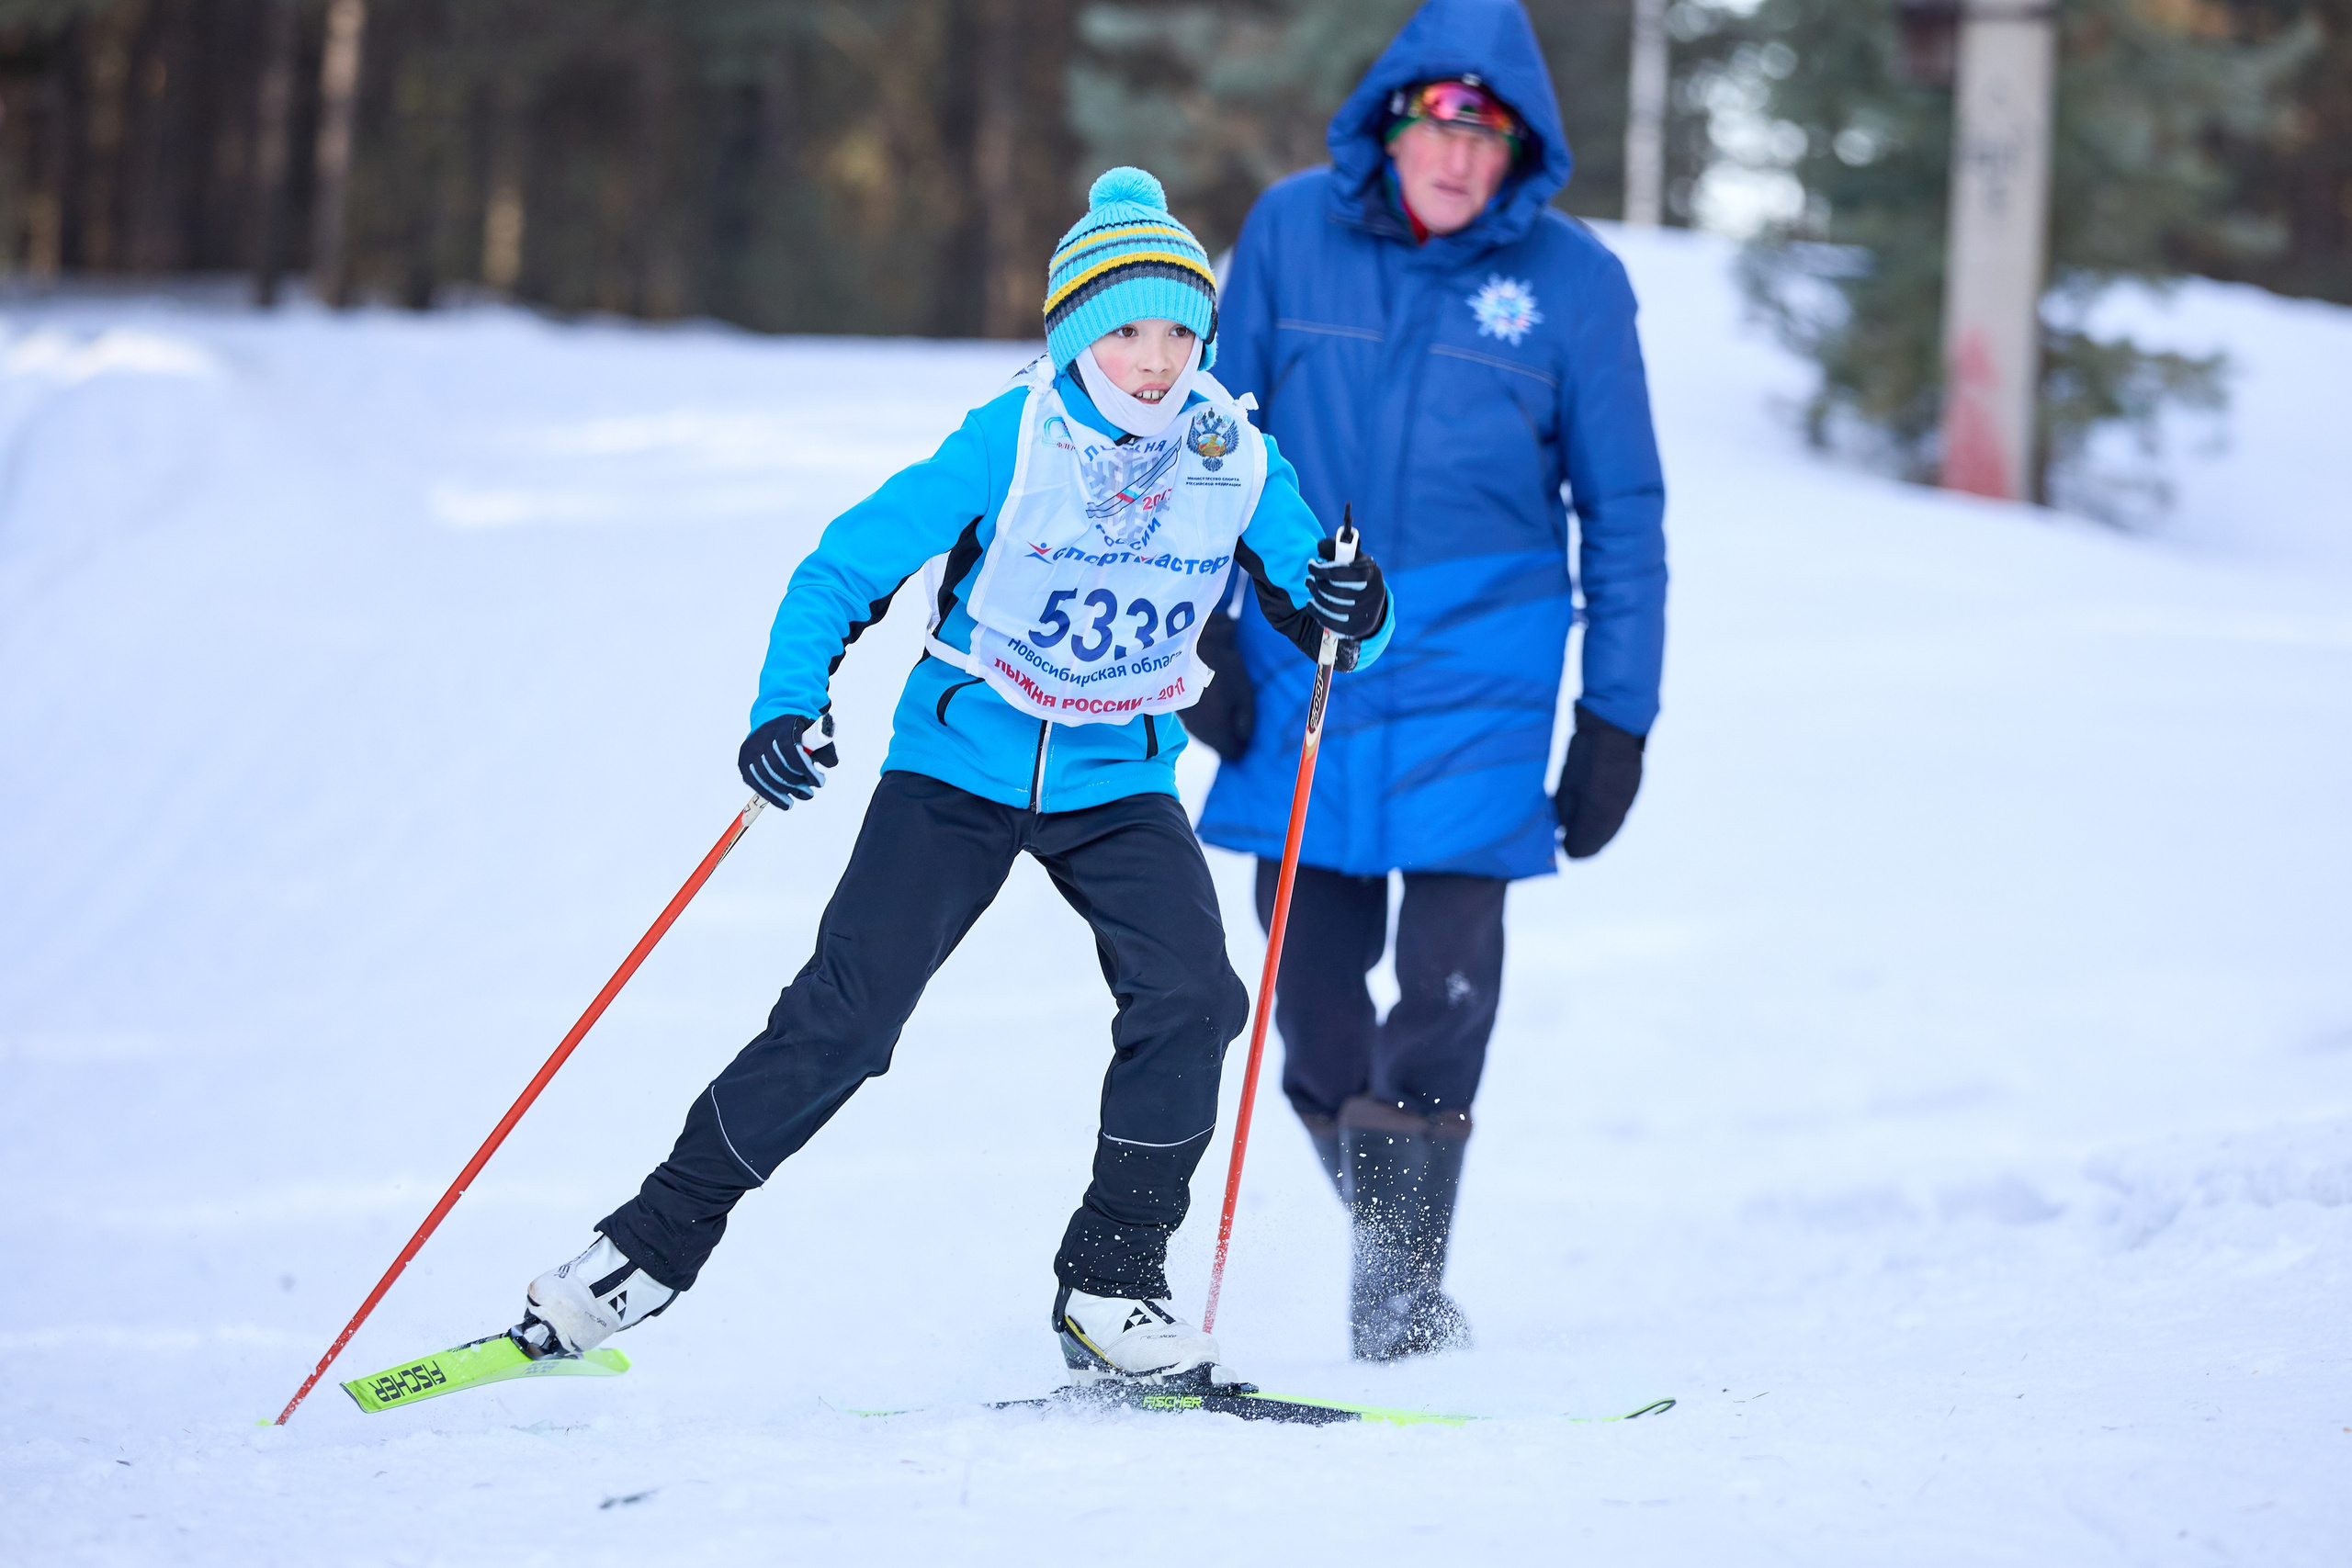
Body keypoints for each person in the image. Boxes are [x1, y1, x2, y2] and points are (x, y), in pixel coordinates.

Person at [509, 168, 1395, 1387]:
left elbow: (1333, 611)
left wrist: (1359, 600)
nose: (1156, 358)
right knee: (847, 1020)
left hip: (1116, 773)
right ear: (1080, 333)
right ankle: (643, 1252)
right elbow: (839, 570)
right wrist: (786, 706)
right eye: (1128, 330)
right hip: (959, 766)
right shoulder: (1010, 439)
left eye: (1180, 331)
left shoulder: (1230, 454)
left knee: (1195, 997)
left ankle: (1114, 1283)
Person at [1189, 0, 1668, 1361]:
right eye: (1439, 128)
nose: (1460, 162)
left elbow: (1623, 512)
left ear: (1522, 148)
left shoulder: (1574, 285)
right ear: (1393, 123)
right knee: (1314, 1017)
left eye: (1490, 137)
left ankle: (1398, 1298)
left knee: (1447, 992)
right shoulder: (1289, 233)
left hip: (1484, 668)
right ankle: (1389, 1238)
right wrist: (1200, 637)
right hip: (1307, 657)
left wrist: (1618, 716)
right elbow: (1210, 442)